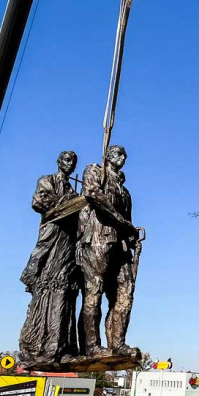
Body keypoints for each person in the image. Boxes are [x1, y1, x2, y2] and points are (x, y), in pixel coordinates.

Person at [19, 150, 81, 366]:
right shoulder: (47, 180)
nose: (70, 164)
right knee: (47, 288)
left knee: (64, 292)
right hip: (52, 238)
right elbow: (40, 202)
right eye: (66, 159)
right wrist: (70, 202)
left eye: (73, 161)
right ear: (58, 162)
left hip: (67, 243)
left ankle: (60, 346)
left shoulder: (74, 189)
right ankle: (39, 345)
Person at [78, 145, 139, 356]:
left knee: (126, 291)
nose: (122, 158)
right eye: (118, 154)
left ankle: (117, 344)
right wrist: (119, 219)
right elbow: (92, 193)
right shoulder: (95, 171)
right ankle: (91, 345)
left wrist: (133, 237)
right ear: (108, 155)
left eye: (125, 155)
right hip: (98, 238)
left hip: (120, 246)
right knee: (94, 291)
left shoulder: (126, 193)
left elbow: (128, 221)